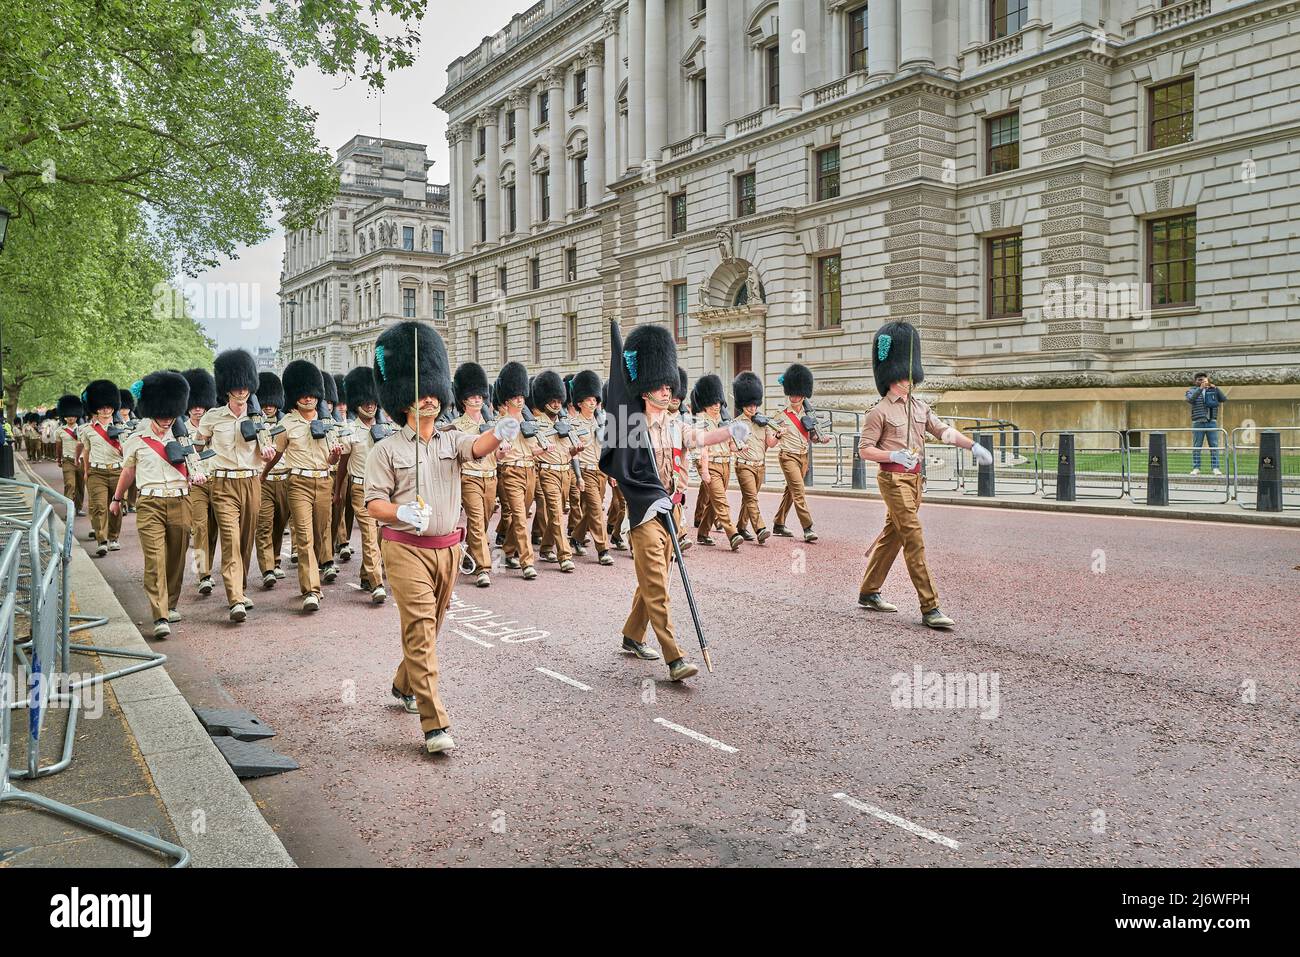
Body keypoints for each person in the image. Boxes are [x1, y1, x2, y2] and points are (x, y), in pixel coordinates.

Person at [363, 320, 518, 755]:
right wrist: (400, 510)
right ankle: (434, 724)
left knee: (430, 629)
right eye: (420, 391)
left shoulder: (452, 437)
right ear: (402, 399)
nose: (429, 397)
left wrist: (500, 432)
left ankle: (402, 682)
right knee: (419, 628)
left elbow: (477, 446)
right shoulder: (386, 449)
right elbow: (373, 503)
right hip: (405, 548)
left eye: (433, 389)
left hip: (448, 549)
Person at [601, 322, 749, 682]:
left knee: (654, 581)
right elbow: (620, 467)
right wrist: (651, 499)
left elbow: (698, 437)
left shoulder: (672, 422)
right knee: (659, 586)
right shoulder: (628, 423)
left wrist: (730, 430)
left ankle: (632, 635)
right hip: (644, 514)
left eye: (670, 386)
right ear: (646, 387)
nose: (667, 391)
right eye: (661, 386)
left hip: (673, 510)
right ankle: (675, 657)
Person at [856, 320, 992, 630]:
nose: (909, 379)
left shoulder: (920, 407)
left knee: (893, 536)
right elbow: (864, 450)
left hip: (916, 480)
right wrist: (891, 455)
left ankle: (868, 591)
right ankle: (930, 607)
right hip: (892, 480)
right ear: (892, 374)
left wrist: (972, 446)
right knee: (914, 538)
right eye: (904, 374)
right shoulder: (878, 412)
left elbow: (942, 431)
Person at [110, 371, 200, 639]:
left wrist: (198, 474)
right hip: (149, 503)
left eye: (170, 415)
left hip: (180, 500)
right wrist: (117, 498)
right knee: (154, 559)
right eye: (161, 415)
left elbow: (197, 468)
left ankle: (170, 603)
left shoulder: (185, 440)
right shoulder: (136, 439)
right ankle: (159, 614)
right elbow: (128, 472)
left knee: (176, 557)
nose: (165, 419)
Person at [198, 349, 273, 623]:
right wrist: (199, 469)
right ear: (227, 389)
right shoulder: (212, 418)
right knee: (229, 539)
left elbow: (267, 448)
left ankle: (239, 588)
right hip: (223, 484)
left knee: (245, 540)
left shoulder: (258, 420)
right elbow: (197, 447)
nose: (241, 391)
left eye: (245, 386)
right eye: (236, 386)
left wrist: (267, 453)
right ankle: (235, 599)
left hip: (251, 483)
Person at [264, 360, 340, 613]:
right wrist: (263, 471)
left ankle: (315, 573)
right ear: (295, 397)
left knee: (319, 534)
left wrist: (336, 457)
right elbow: (276, 452)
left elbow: (331, 458)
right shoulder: (286, 423)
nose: (308, 399)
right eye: (303, 395)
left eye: (311, 395)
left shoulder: (329, 424)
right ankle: (311, 590)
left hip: (323, 480)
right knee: (304, 537)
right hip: (297, 483)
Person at [337, 366, 388, 603]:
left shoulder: (384, 429)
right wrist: (338, 491)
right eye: (365, 401)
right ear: (357, 403)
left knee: (379, 535)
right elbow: (343, 463)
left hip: (382, 489)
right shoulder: (349, 429)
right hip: (359, 488)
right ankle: (377, 583)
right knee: (368, 534)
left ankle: (366, 575)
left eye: (373, 401)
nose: (370, 405)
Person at [771, 363, 833, 543]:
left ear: (803, 394)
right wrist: (776, 434)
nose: (794, 397)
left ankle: (778, 523)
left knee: (791, 491)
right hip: (787, 456)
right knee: (798, 490)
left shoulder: (809, 415)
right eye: (792, 393)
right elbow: (773, 441)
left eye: (797, 393)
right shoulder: (780, 415)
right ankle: (808, 527)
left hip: (803, 456)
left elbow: (812, 437)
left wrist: (821, 438)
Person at [493, 362, 542, 581]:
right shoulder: (501, 423)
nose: (520, 400)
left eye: (522, 396)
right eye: (515, 397)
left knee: (520, 517)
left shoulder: (529, 421)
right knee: (520, 518)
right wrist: (501, 453)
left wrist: (544, 449)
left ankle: (505, 552)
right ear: (507, 400)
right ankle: (527, 562)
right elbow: (494, 453)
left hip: (530, 471)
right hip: (511, 472)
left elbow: (533, 449)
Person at [530, 371, 583, 573]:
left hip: (565, 473)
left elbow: (567, 451)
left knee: (557, 513)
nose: (556, 404)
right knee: (556, 514)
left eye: (558, 400)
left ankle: (545, 547)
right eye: (552, 401)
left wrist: (575, 450)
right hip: (547, 473)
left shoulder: (564, 424)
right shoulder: (535, 426)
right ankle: (565, 556)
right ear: (544, 402)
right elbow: (531, 451)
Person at [451, 362, 497, 588]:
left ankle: (467, 553)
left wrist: (503, 451)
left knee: (484, 521)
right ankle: (482, 568)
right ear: (464, 399)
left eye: (480, 395)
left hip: (491, 476)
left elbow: (500, 453)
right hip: (469, 477)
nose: (477, 399)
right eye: (472, 395)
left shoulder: (492, 424)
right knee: (477, 522)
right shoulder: (457, 425)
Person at [689, 374, 744, 551]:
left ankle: (703, 533)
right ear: (705, 403)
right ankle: (733, 533)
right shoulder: (700, 421)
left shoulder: (722, 420)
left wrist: (740, 446)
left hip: (725, 464)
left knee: (714, 502)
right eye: (713, 403)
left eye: (718, 402)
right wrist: (704, 470)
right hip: (709, 464)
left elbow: (730, 446)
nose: (717, 405)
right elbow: (703, 446)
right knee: (721, 501)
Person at [567, 370, 615, 566]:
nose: (593, 402)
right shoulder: (572, 423)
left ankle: (576, 538)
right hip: (585, 471)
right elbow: (573, 453)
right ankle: (603, 549)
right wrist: (578, 477)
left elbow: (607, 448)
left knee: (590, 512)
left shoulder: (602, 421)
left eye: (594, 399)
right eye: (588, 400)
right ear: (579, 403)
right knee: (596, 509)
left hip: (601, 471)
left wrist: (612, 472)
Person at [731, 372, 781, 544]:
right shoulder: (736, 423)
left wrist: (779, 435)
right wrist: (738, 447)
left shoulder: (763, 422)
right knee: (752, 498)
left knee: (748, 498)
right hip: (744, 465)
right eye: (749, 405)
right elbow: (731, 446)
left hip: (760, 466)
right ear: (742, 404)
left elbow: (771, 443)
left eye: (754, 405)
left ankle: (741, 527)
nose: (752, 408)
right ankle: (760, 528)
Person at [76, 379, 125, 557]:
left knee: (115, 508)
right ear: (95, 408)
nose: (105, 410)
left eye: (109, 407)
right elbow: (86, 451)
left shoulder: (123, 429)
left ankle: (113, 537)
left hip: (118, 471)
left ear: (113, 407)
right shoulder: (87, 430)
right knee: (98, 507)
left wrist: (120, 441)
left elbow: (128, 454)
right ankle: (101, 540)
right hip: (97, 472)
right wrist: (87, 472)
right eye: (102, 407)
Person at [182, 368, 219, 596]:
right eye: (194, 405)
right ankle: (202, 574)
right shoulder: (180, 429)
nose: (197, 410)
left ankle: (208, 568)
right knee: (200, 528)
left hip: (217, 481)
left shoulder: (214, 426)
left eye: (201, 406)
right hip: (195, 485)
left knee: (213, 530)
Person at [255, 371, 292, 587]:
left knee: (280, 524)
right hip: (263, 480)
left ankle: (275, 560)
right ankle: (267, 568)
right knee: (265, 524)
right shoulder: (254, 423)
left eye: (272, 402)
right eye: (265, 402)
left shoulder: (285, 422)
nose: (269, 406)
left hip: (284, 478)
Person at [1186, 372, 1226, 476]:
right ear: (1195, 381)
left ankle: (1215, 467)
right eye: (1199, 380)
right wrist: (1200, 389)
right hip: (1198, 422)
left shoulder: (1213, 390)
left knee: (1214, 446)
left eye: (1204, 379)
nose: (1202, 381)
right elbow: (1190, 400)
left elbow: (1223, 399)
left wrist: (1216, 389)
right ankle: (1196, 467)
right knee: (1196, 446)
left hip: (1211, 422)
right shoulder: (1191, 390)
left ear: (1207, 380)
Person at [54, 394, 86, 515]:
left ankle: (78, 507)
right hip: (67, 460)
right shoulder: (60, 431)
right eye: (68, 416)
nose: (71, 418)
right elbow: (58, 446)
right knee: (70, 484)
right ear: (64, 417)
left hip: (81, 461)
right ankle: (69, 509)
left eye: (73, 415)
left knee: (80, 486)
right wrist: (58, 459)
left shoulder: (83, 429)